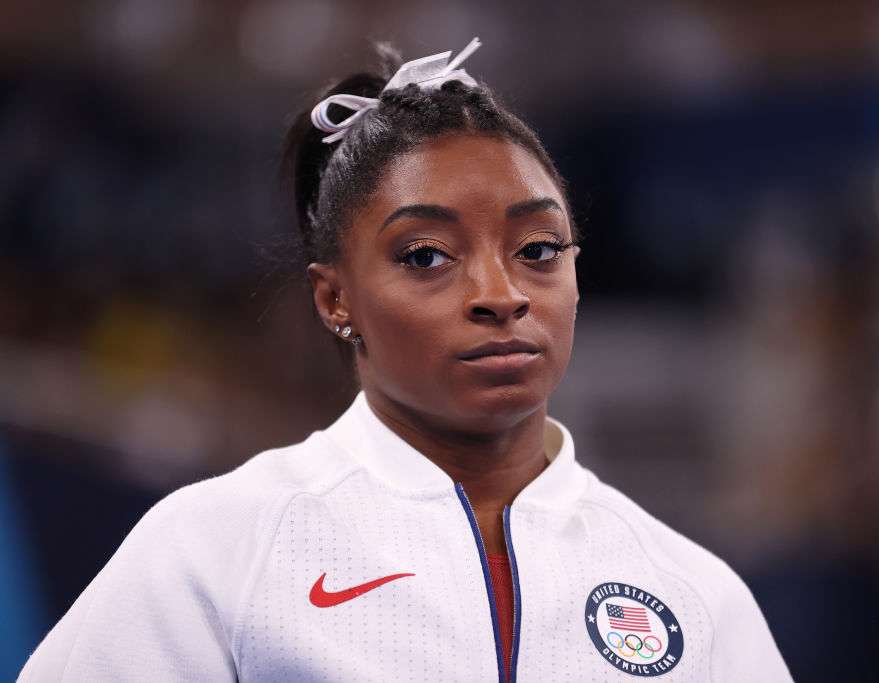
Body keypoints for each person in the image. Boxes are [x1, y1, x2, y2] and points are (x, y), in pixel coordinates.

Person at [19, 38, 792, 682]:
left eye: (537, 249)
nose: (501, 295)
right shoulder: (219, 550)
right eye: (426, 255)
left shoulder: (693, 595)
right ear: (336, 299)